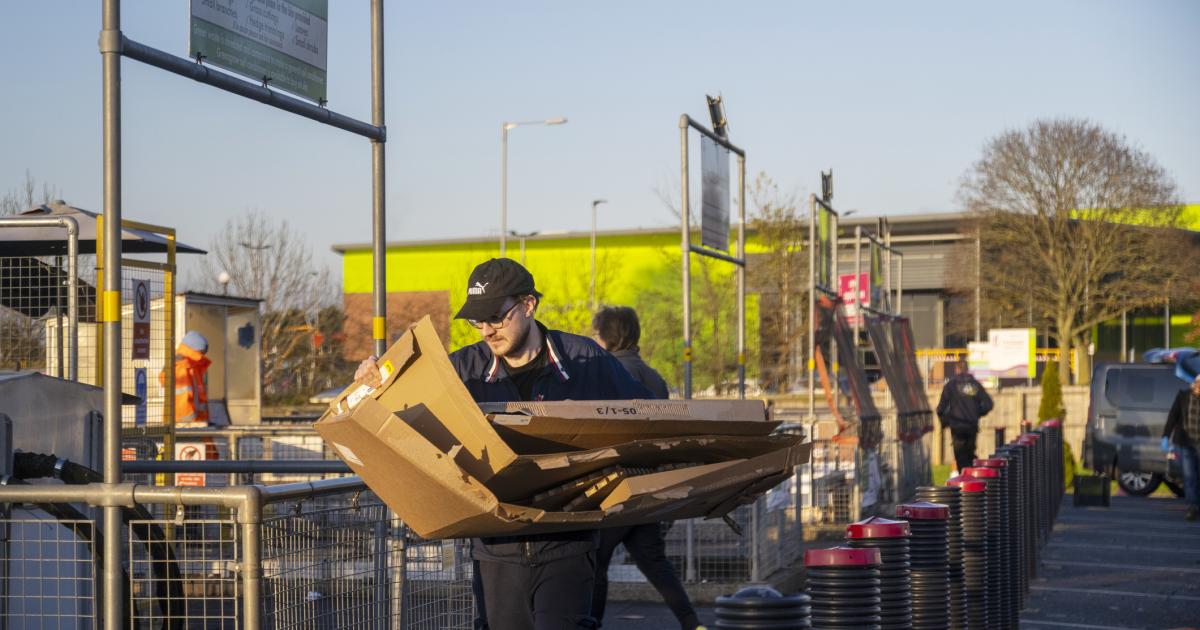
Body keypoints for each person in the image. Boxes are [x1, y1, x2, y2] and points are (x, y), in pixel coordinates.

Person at [355, 258, 651, 630]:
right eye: (477, 321)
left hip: (567, 543)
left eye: (496, 317)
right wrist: (370, 384)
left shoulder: (585, 359)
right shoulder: (462, 370)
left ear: (528, 305)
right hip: (497, 550)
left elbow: (649, 415)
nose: (487, 331)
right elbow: (396, 412)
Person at [588, 306, 702, 630]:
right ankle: (692, 623)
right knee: (654, 561)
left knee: (595, 560)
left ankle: (591, 624)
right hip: (650, 484)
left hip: (621, 485)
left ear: (609, 337)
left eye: (597, 334)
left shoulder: (612, 373)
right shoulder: (654, 376)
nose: (594, 339)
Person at [936, 358, 993, 473]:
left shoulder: (951, 385)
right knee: (970, 455)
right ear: (967, 369)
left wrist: (945, 421)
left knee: (960, 458)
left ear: (956, 369)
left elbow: (940, 409)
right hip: (972, 426)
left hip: (957, 427)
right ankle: (971, 477)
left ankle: (963, 478)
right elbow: (989, 404)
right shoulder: (975, 385)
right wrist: (977, 413)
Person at [1162, 373, 1200, 521]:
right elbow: (1173, 416)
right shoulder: (1183, 396)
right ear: (1194, 384)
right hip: (1185, 443)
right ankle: (1192, 507)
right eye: (1198, 384)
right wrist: (1165, 436)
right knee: (1189, 477)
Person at [162, 331, 211, 425]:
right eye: (201, 352)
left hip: (191, 423)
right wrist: (197, 423)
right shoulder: (182, 367)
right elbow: (183, 402)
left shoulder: (191, 367)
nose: (202, 355)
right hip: (184, 424)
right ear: (195, 350)